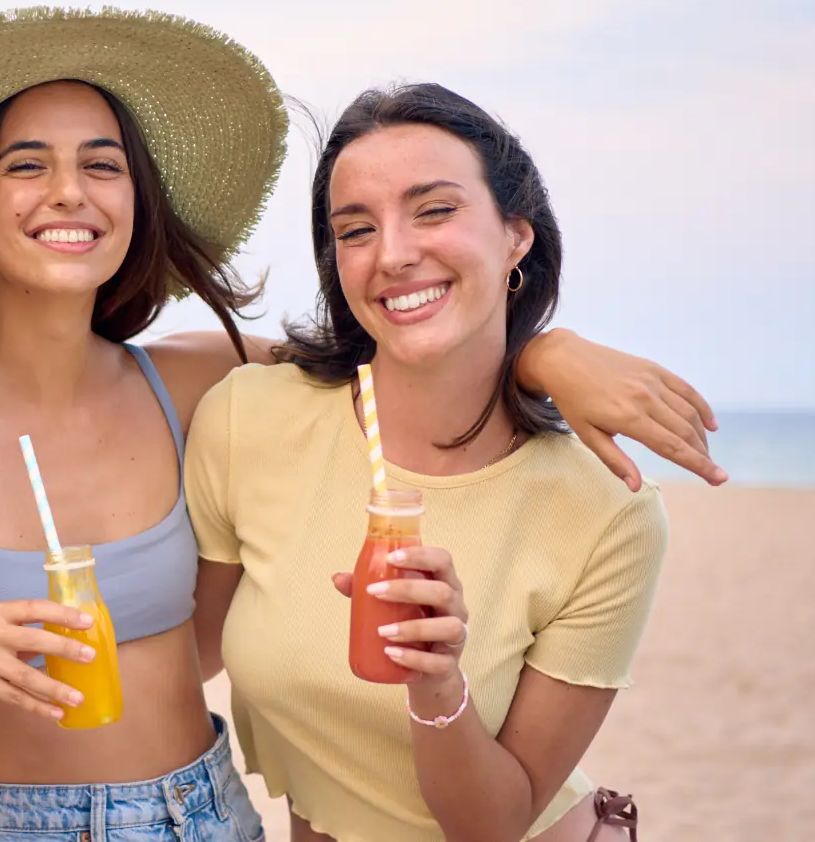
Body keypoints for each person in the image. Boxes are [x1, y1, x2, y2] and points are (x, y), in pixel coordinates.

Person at [0, 8, 716, 842]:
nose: (69, 191)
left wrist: (545, 354)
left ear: (134, 203)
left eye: (102, 165)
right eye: (26, 164)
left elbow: (403, 348)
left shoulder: (204, 382)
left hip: (213, 812)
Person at [185, 83, 667, 841]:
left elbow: (495, 823)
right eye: (355, 230)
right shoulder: (251, 418)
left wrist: (438, 684)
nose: (395, 254)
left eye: (435, 210)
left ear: (516, 235)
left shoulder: (607, 512)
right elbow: (183, 662)